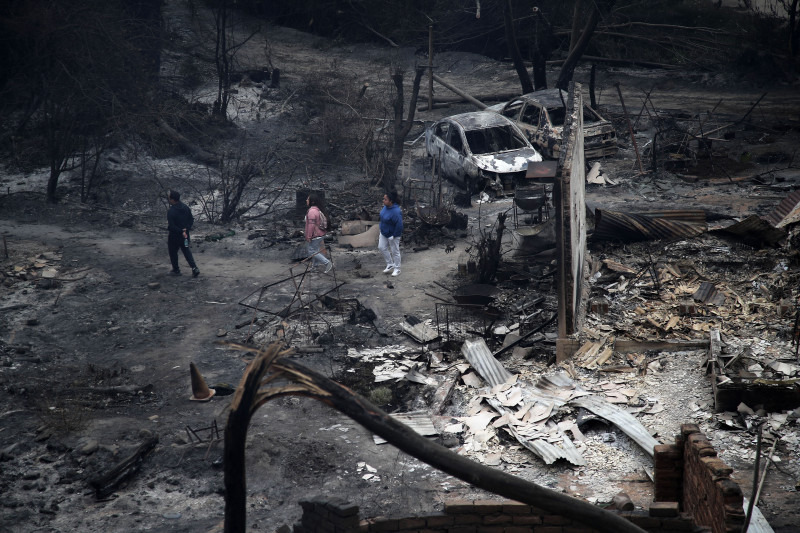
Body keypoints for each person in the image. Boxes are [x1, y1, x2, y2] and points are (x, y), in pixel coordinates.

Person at [167, 190, 200, 277]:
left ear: (173, 200)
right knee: (186, 251)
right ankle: (194, 268)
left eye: (169, 198)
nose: (169, 200)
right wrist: (186, 229)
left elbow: (172, 226)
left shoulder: (171, 211)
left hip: (174, 237)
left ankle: (176, 270)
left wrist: (180, 230)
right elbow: (191, 219)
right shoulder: (185, 207)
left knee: (173, 252)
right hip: (185, 235)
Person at [304, 193, 333, 273]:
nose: (306, 200)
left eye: (308, 199)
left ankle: (327, 263)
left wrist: (309, 236)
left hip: (316, 235)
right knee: (315, 250)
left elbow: (311, 225)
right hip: (320, 234)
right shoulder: (317, 209)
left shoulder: (312, 211)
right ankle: (315, 266)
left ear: (312, 201)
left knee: (311, 251)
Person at [378, 189, 403, 277]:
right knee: (381, 247)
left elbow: (399, 225)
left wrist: (394, 235)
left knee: (395, 251)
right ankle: (390, 264)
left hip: (393, 234)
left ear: (391, 201)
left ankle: (397, 269)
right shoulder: (385, 207)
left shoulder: (396, 211)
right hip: (384, 232)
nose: (383, 200)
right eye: (383, 199)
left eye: (385, 199)